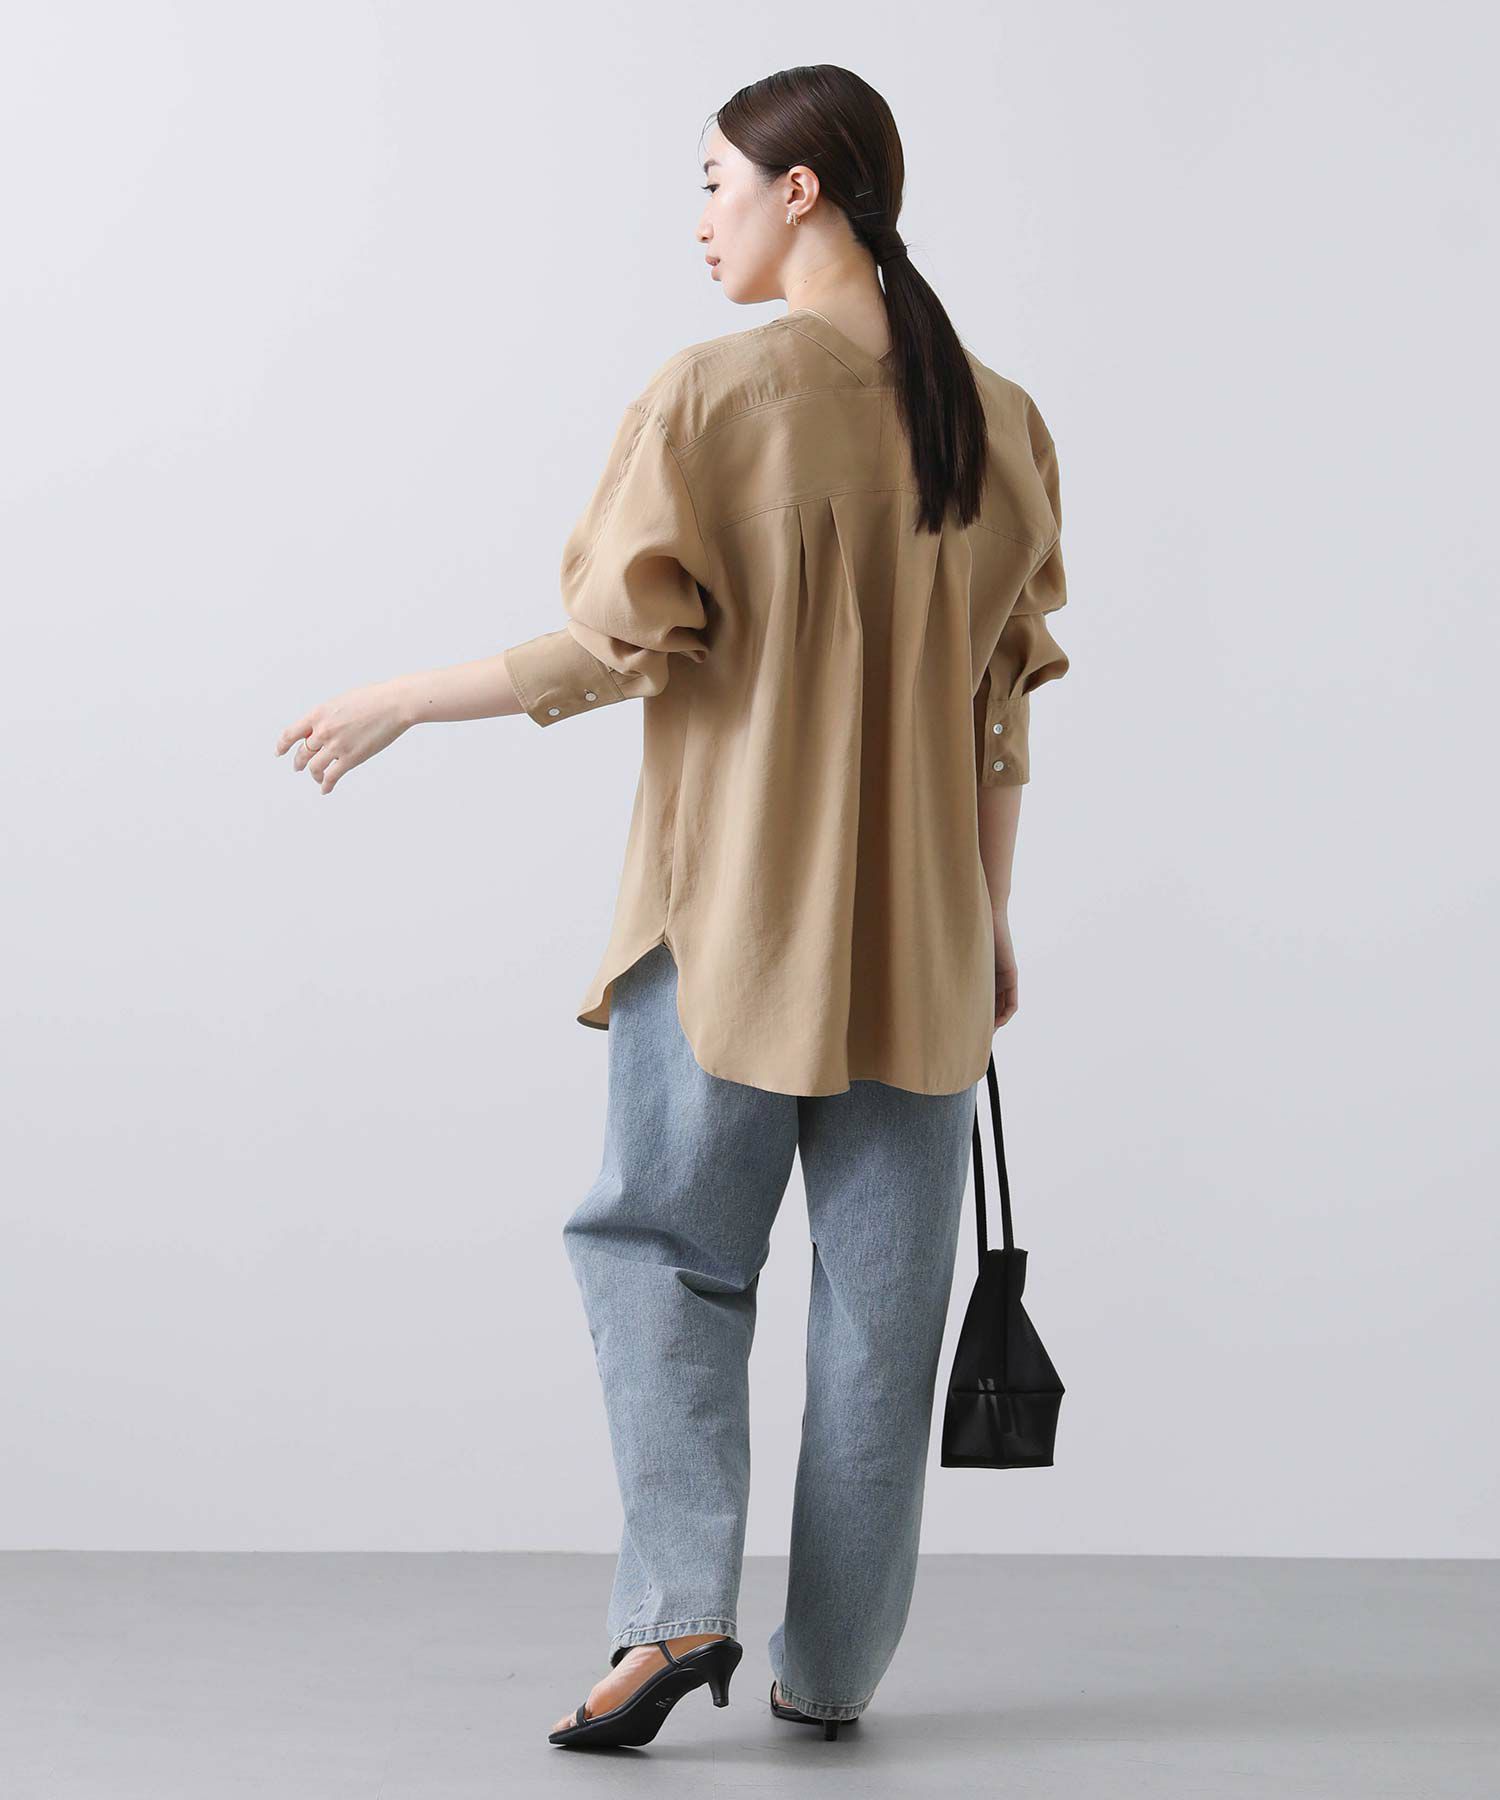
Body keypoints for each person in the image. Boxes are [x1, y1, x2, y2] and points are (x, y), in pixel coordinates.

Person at [274, 63, 1071, 1749]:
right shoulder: (999, 418)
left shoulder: (715, 396)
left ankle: (677, 1614)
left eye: (714, 180)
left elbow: (612, 644)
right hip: (924, 948)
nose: (700, 217)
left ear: (802, 189)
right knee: (881, 1315)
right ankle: (831, 1670)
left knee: (659, 1250)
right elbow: (1004, 706)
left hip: (727, 931)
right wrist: (989, 918)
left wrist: (405, 698)